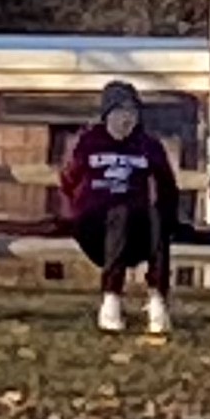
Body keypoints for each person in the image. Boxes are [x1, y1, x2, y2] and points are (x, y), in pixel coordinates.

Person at [58, 80, 181, 335]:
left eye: (132, 112)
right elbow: (68, 180)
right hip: (95, 226)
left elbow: (167, 186)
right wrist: (73, 213)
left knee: (155, 218)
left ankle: (158, 300)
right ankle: (111, 300)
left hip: (133, 229)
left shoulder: (148, 145)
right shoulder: (87, 142)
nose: (127, 118)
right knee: (119, 211)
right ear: (107, 114)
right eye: (121, 111)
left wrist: (169, 218)